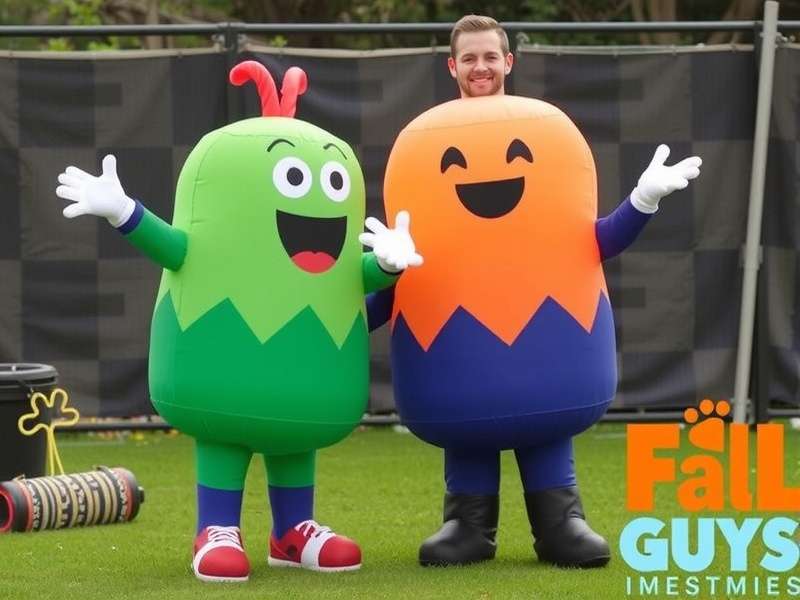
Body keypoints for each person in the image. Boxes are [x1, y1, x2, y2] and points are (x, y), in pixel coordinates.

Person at [363, 14, 702, 569]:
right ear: (453, 66)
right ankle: (467, 522)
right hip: (453, 337)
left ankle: (560, 519)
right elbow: (401, 266)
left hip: (548, 330)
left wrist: (643, 200)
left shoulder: (546, 135)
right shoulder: (425, 145)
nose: (480, 67)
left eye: (489, 57)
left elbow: (592, 241)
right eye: (469, 58)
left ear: (508, 62)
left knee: (546, 416)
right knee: (466, 422)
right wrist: (383, 272)